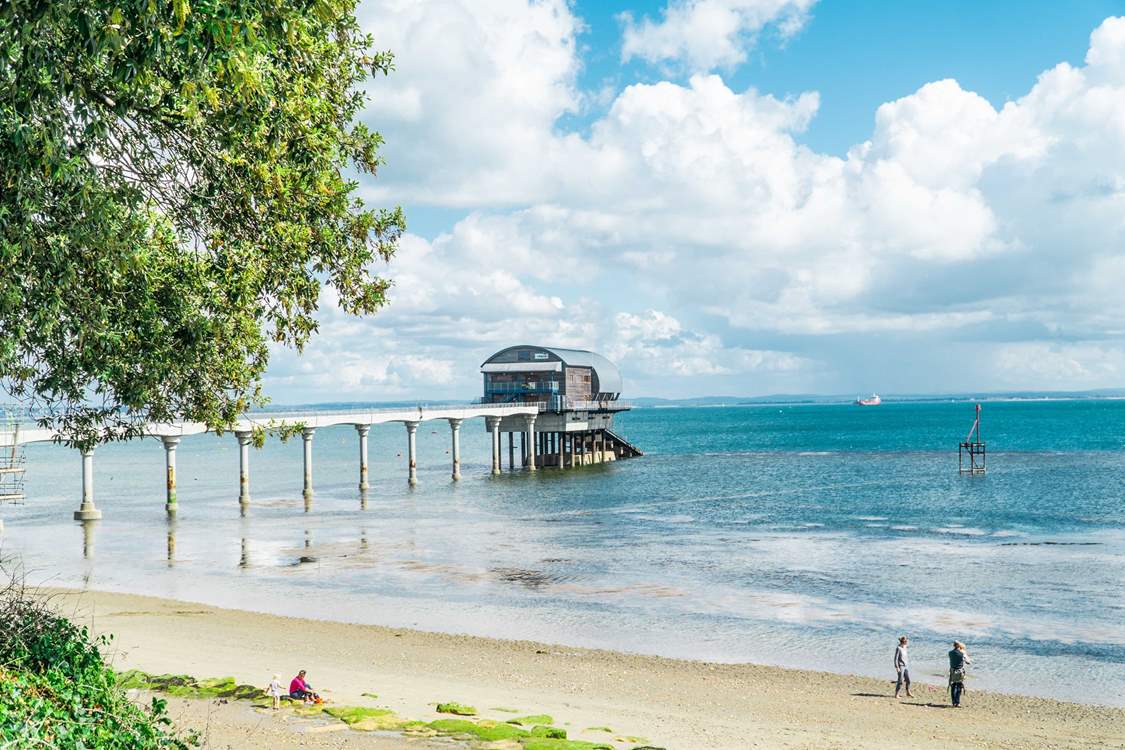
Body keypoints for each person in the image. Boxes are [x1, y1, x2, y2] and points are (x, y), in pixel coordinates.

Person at [948, 641, 971, 707]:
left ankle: (953, 702)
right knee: (959, 686)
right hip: (959, 672)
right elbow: (968, 662)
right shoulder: (962, 653)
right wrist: (965, 653)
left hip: (952, 671)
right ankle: (957, 702)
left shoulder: (950, 653)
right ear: (959, 646)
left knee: (953, 686)